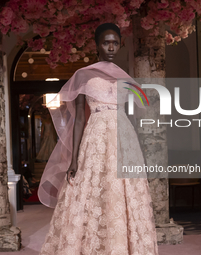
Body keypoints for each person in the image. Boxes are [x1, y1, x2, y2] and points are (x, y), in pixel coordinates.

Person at [38, 23, 158, 254]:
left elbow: (140, 108)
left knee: (124, 192)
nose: (111, 47)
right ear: (97, 45)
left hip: (124, 137)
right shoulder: (83, 74)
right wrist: (73, 158)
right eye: (106, 42)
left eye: (115, 42)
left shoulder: (125, 76)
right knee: (92, 191)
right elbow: (80, 120)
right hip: (96, 137)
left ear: (120, 44)